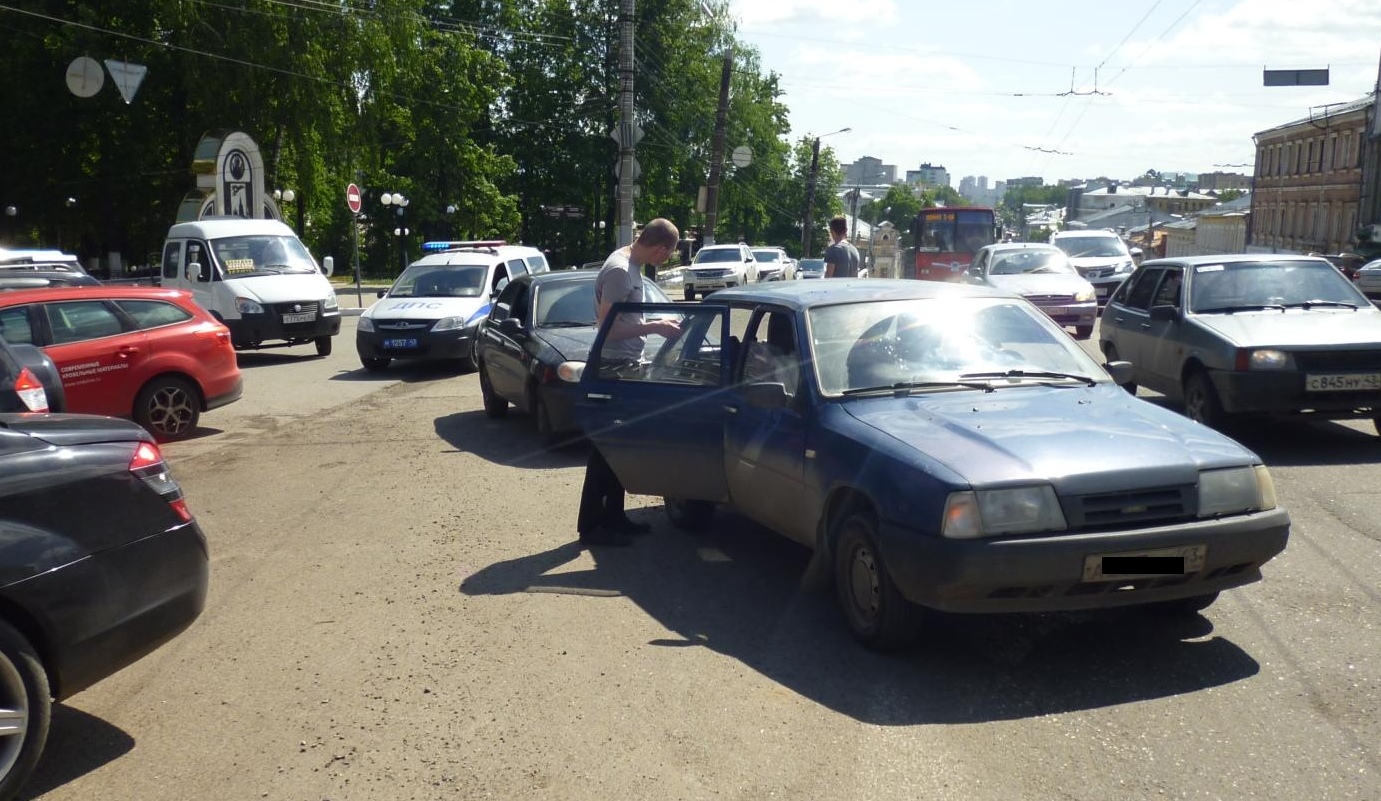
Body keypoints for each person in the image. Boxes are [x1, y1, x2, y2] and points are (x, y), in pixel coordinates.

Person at [577, 218, 682, 547]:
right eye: (668, 255)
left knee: (617, 446)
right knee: (607, 447)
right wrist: (654, 327)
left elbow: (624, 319)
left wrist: (653, 322)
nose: (666, 261)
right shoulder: (622, 271)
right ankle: (592, 525)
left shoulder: (628, 263)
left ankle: (613, 517)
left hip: (624, 365)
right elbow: (607, 327)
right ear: (660, 248)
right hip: (614, 367)